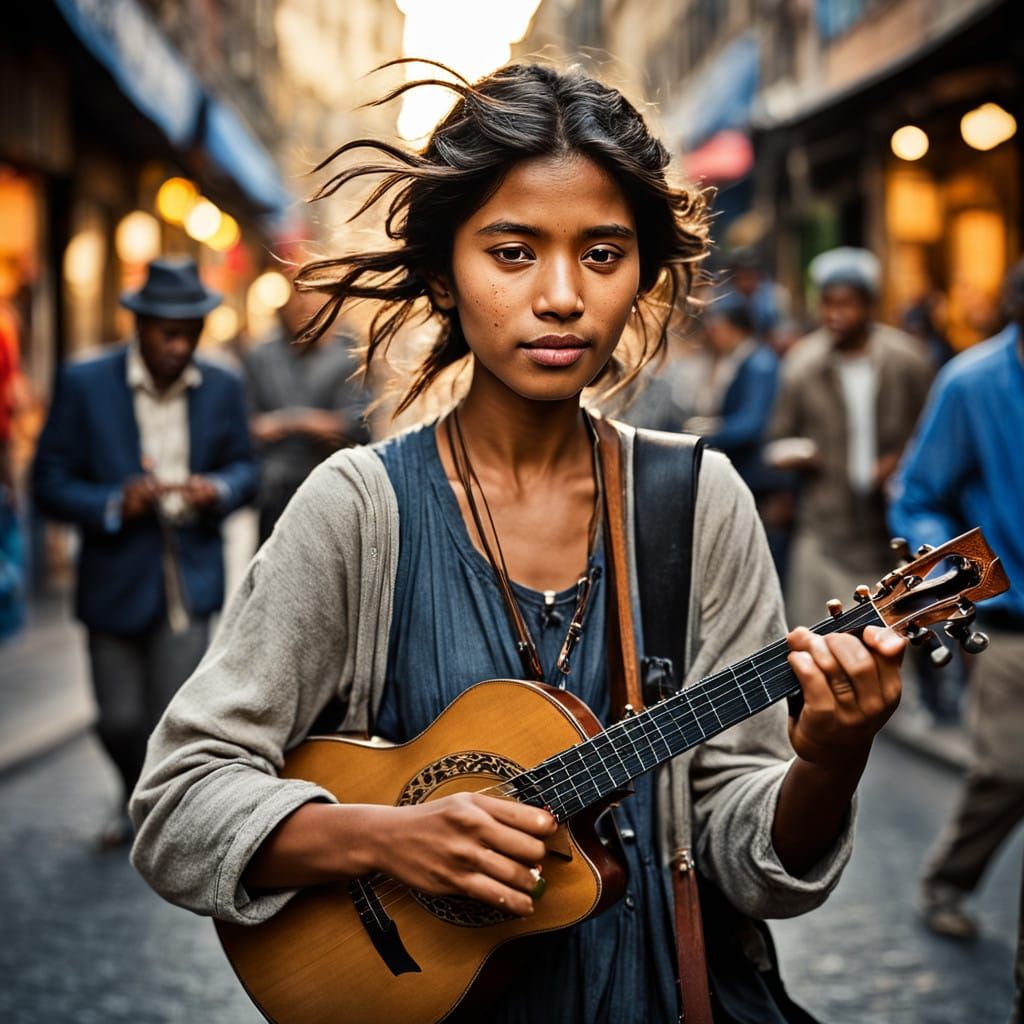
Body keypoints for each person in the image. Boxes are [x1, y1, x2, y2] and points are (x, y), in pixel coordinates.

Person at [129, 65, 905, 1023]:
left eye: (603, 253)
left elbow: (749, 864)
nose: (562, 296)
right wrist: (383, 838)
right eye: (511, 252)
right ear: (444, 275)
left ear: (642, 275)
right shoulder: (359, 511)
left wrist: (829, 760)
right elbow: (177, 806)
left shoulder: (698, 503)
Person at [32, 256, 259, 846]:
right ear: (140, 325)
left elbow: (246, 469)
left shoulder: (224, 384)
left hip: (189, 578)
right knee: (118, 720)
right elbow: (48, 482)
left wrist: (219, 489)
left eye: (190, 334)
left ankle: (156, 820)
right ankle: (134, 794)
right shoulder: (85, 383)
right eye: (168, 333)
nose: (179, 346)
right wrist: (113, 501)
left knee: (170, 718)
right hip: (113, 576)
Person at [888, 261, 1024, 997]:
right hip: (1011, 620)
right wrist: (957, 573)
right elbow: (917, 495)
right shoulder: (971, 384)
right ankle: (947, 880)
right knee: (1007, 768)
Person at [767, 246, 933, 632]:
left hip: (888, 533)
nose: (835, 314)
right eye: (827, 303)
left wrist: (899, 461)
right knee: (815, 639)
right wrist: (798, 455)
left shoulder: (907, 360)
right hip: (823, 528)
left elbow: (932, 435)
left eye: (846, 304)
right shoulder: (802, 365)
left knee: (889, 643)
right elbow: (776, 439)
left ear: (869, 304)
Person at [243, 270, 370, 543]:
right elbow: (247, 425)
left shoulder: (347, 356)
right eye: (299, 298)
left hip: (330, 485)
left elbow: (356, 424)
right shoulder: (262, 356)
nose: (305, 307)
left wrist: (290, 422)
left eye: (315, 300)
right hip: (274, 491)